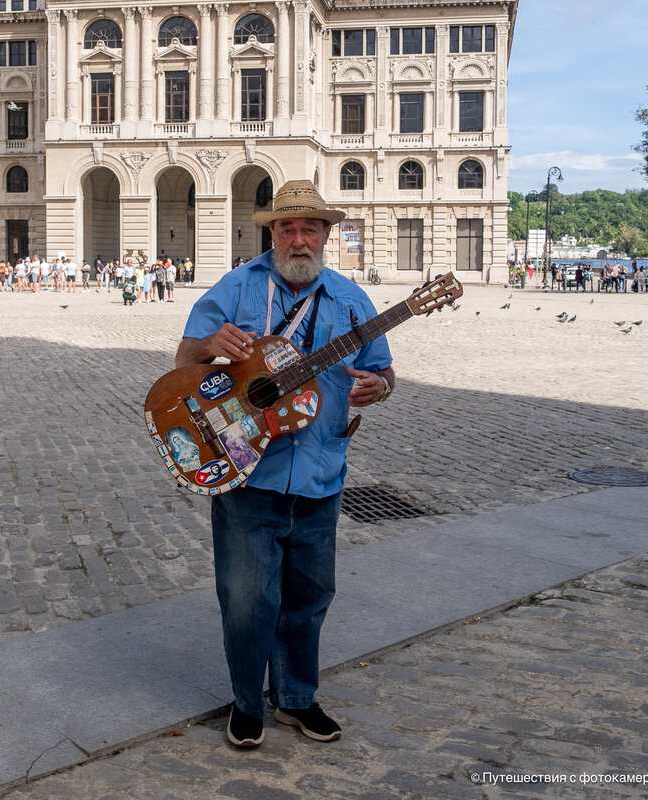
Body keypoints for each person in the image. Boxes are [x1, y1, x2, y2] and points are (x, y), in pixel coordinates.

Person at [174, 179, 395, 749]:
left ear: (326, 233)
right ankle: (248, 703)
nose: (299, 239)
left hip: (322, 473)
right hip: (250, 470)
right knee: (248, 600)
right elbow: (185, 356)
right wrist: (209, 345)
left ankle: (296, 697)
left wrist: (380, 386)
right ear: (272, 232)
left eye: (310, 228)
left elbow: (383, 370)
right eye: (287, 228)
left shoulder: (351, 300)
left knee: (309, 596)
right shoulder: (238, 288)